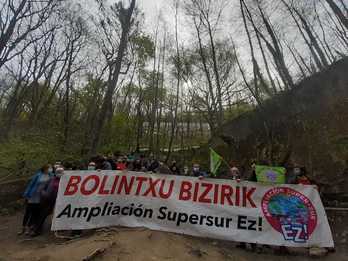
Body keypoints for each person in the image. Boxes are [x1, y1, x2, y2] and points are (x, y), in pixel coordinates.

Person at [19, 164, 51, 235]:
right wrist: (26, 194)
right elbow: (31, 184)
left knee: (36, 212)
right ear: (45, 169)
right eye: (49, 168)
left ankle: (31, 227)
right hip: (33, 195)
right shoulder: (38, 175)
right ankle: (24, 228)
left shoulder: (50, 175)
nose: (50, 169)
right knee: (29, 211)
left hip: (42, 196)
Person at [31, 167, 63, 237]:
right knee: (42, 215)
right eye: (58, 172)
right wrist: (43, 193)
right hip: (47, 200)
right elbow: (43, 187)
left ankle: (60, 228)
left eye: (61, 172)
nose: (59, 173)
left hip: (59, 201)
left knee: (59, 214)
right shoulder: (51, 179)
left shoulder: (64, 180)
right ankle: (37, 230)